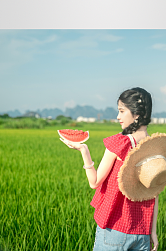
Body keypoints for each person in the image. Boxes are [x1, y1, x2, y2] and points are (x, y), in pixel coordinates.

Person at [59, 87, 159, 251]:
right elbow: (155, 194)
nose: (118, 116)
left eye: (121, 111)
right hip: (142, 233)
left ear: (137, 114)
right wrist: (152, 231)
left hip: (115, 230)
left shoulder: (119, 143)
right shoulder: (154, 147)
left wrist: (84, 151)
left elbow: (94, 182)